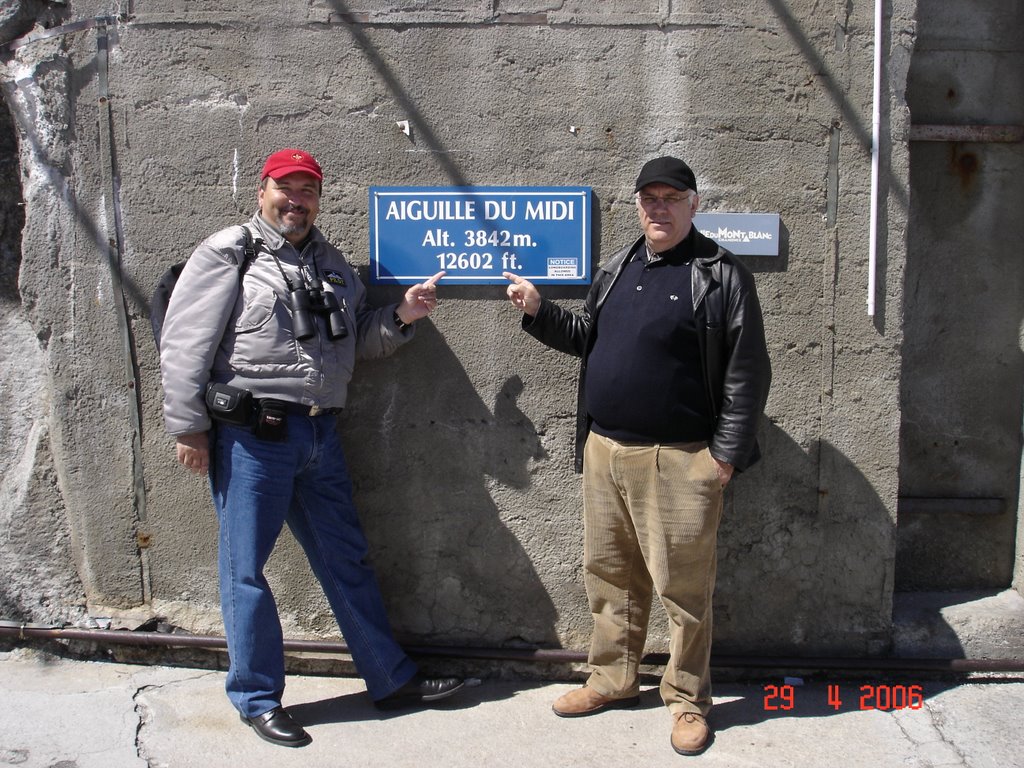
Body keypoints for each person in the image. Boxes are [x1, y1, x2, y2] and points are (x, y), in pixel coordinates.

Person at [159, 148, 463, 748]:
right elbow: (184, 342)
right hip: (252, 438)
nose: (296, 201)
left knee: (346, 560)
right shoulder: (230, 251)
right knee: (245, 570)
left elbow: (357, 346)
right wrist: (188, 427)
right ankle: (256, 697)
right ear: (262, 190)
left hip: (321, 434)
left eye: (308, 191)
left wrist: (402, 315)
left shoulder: (332, 264)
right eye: (286, 189)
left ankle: (389, 677)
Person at [504, 156, 771, 756]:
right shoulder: (619, 266)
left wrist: (722, 458)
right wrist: (538, 311)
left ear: (693, 203)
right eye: (648, 198)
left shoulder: (721, 274)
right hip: (605, 450)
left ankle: (686, 700)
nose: (658, 208)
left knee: (683, 588)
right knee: (610, 577)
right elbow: (587, 341)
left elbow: (748, 374)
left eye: (670, 197)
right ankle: (614, 678)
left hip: (679, 460)